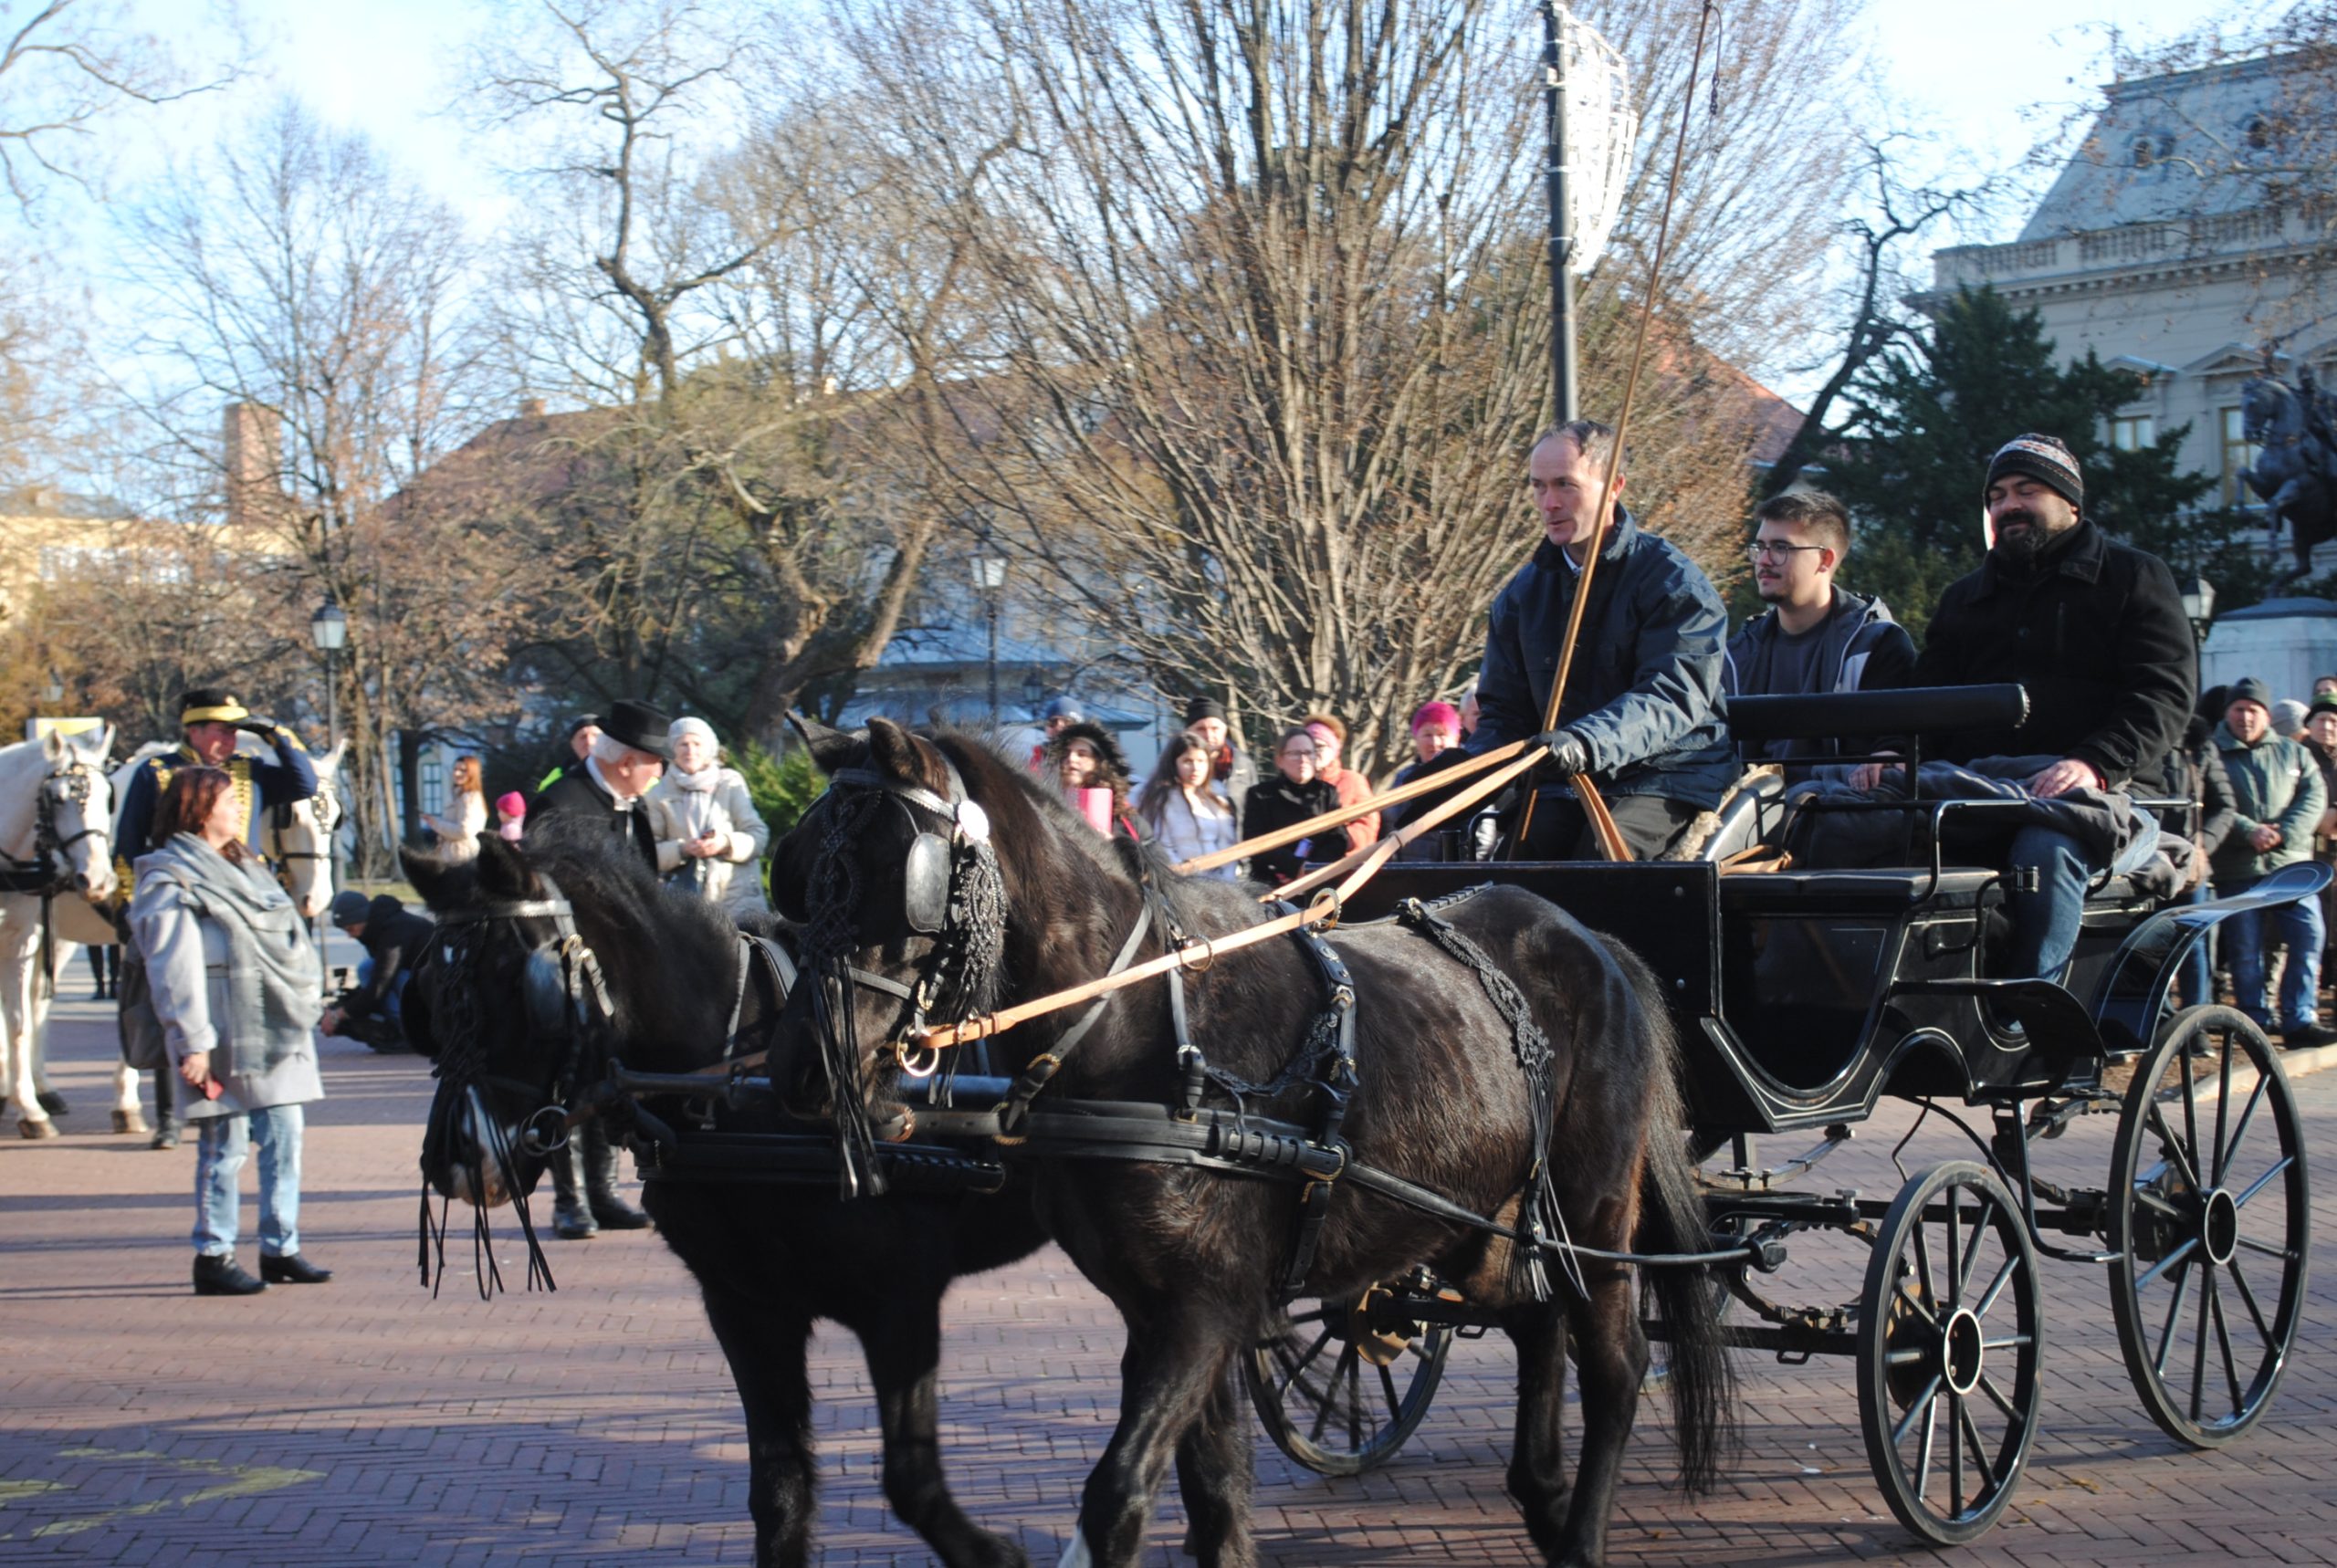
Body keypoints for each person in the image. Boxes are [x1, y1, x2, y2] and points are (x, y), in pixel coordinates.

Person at [1885, 434, 2196, 984]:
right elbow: (1926, 707)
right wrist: (1891, 756)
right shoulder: (1964, 599)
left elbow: (2163, 695)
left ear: (2071, 503)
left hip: (2107, 795)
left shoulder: (2133, 578)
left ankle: (2037, 1006)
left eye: (2027, 490)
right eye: (1997, 496)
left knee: (2043, 848)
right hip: (1981, 791)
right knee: (1869, 833)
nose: (2008, 506)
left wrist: (2094, 763)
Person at [1466, 420, 1735, 859]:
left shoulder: (1674, 582)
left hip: (1666, 775)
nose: (1548, 503)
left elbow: (1672, 695)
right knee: (1513, 867)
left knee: (1598, 862)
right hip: (1564, 782)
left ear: (1615, 486)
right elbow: (1503, 711)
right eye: (1538, 487)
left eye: (1565, 485)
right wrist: (1470, 765)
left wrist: (1585, 742)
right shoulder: (1522, 594)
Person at [129, 766, 328, 1295]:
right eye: (228, 800)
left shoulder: (248, 865)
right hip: (220, 1025)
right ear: (198, 808)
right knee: (225, 1145)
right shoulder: (168, 875)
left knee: (286, 1135)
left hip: (275, 1020)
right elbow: (171, 965)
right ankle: (214, 1254)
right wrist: (192, 1041)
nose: (239, 807)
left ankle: (280, 1247)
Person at [114, 689, 320, 1151]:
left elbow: (304, 783)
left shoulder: (248, 769)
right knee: (176, 1009)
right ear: (195, 729)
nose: (230, 739)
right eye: (222, 730)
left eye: (235, 730)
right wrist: (133, 909)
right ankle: (169, 1116)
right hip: (181, 899)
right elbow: (129, 843)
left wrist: (274, 733)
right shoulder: (158, 771)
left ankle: (248, 1102)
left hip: (243, 904)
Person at [1723, 488, 1916, 770]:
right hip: (1749, 806)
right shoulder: (1739, 654)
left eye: (1780, 548)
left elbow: (1895, 751)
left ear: (1825, 560)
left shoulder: (1878, 644)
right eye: (1760, 547)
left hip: (1837, 804)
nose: (1763, 560)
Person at [2212, 679, 2335, 1047]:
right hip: (2238, 868)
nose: (2246, 718)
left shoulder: (2293, 752)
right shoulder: (2213, 752)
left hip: (2292, 867)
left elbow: (2314, 797)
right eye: (2239, 710)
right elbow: (2208, 800)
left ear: (2266, 715)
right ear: (2228, 713)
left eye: (2253, 710)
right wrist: (2249, 831)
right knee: (2245, 950)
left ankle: (2300, 1019)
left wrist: (2283, 831)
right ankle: (2254, 1020)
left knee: (2309, 935)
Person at [529, 699, 675, 877]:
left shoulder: (635, 803)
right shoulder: (557, 807)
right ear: (626, 765)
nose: (659, 773)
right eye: (656, 763)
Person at [649, 716, 771, 918]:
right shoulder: (657, 792)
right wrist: (683, 849)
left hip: (738, 897)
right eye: (683, 744)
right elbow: (649, 851)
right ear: (672, 748)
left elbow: (758, 835)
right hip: (684, 902)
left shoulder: (731, 782)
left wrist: (725, 843)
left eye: (697, 743)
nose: (690, 750)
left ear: (709, 747)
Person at [2175, 705, 2238, 1009]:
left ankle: (2195, 1021)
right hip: (2138, 859)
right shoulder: (2134, 738)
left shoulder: (2198, 746)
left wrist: (2203, 844)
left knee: (2193, 943)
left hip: (2189, 863)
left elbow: (2224, 805)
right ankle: (2155, 1019)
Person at [320, 889, 434, 1051]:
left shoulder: (396, 930)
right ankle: (395, 1023)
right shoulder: (376, 928)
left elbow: (381, 983)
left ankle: (408, 1029)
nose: (350, 936)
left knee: (390, 975)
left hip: (433, 989)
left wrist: (340, 1014)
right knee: (367, 968)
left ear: (362, 919)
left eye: (351, 928)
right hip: (420, 979)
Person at [1242, 728, 1340, 887]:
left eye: (1308, 753)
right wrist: (1293, 868)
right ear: (1279, 760)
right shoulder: (1260, 794)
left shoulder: (1329, 793)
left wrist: (1309, 869)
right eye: (1295, 753)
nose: (1303, 759)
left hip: (1317, 881)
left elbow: (1337, 839)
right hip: (1271, 883)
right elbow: (1254, 840)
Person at [1136, 734, 1240, 877]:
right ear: (1173, 763)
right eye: (1187, 761)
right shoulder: (1161, 799)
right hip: (1181, 883)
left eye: (1201, 761)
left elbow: (1227, 843)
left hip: (1220, 882)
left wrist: (1225, 876)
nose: (1195, 768)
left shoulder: (1216, 796)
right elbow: (1161, 847)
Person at [1047, 720, 1140, 838]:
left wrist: (1117, 846)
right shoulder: (1048, 808)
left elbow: (1152, 855)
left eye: (1082, 754)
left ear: (1098, 763)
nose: (1071, 758)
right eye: (1065, 754)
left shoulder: (1126, 819)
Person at [1302, 715, 1378, 852]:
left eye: (1319, 746)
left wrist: (1339, 842)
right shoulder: (1292, 784)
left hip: (1340, 865)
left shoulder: (1353, 781)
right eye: (1307, 747)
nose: (1313, 752)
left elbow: (1367, 825)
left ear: (1333, 750)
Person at [1182, 697, 1257, 821]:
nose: (1209, 735)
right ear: (1188, 732)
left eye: (1215, 729)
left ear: (1225, 730)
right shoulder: (1176, 766)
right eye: (1201, 729)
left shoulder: (1243, 764)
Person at [421, 756, 488, 864]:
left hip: (462, 855)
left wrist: (436, 823)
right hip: (452, 854)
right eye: (455, 769)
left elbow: (464, 830)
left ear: (473, 773)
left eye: (463, 770)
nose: (457, 773)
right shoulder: (457, 795)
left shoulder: (469, 798)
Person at [1392, 701, 1464, 786]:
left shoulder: (1468, 771)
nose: (1434, 743)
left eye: (1441, 734)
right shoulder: (1405, 778)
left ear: (1456, 738)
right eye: (1427, 735)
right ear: (1416, 739)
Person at [537, 714, 602, 792]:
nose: (589, 742)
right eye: (583, 737)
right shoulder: (558, 776)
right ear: (573, 744)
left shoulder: (617, 769)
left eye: (595, 736)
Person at [1028, 696, 1085, 772]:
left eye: (1067, 722)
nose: (1058, 727)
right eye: (1053, 722)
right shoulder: (1037, 760)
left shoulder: (1091, 760)